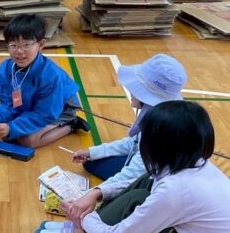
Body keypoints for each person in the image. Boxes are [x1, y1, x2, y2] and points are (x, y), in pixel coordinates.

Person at [34, 102, 230, 233]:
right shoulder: (196, 164)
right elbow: (147, 180)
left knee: (138, 200)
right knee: (146, 181)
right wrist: (97, 193)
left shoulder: (176, 190)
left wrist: (84, 218)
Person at [63, 54, 187, 222]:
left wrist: (94, 193)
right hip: (149, 167)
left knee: (122, 195)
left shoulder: (159, 129)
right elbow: (133, 143)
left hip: (156, 182)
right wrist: (93, 152)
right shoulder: (155, 113)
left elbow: (134, 174)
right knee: (92, 161)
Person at [0, 14, 87, 148]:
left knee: (28, 140)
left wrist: (11, 128)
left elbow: (45, 114)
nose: (19, 51)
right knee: (6, 131)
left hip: (59, 109)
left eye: (26, 45)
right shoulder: (5, 68)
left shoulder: (51, 76)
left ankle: (71, 124)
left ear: (41, 44)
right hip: (31, 106)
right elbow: (8, 103)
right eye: (13, 45)